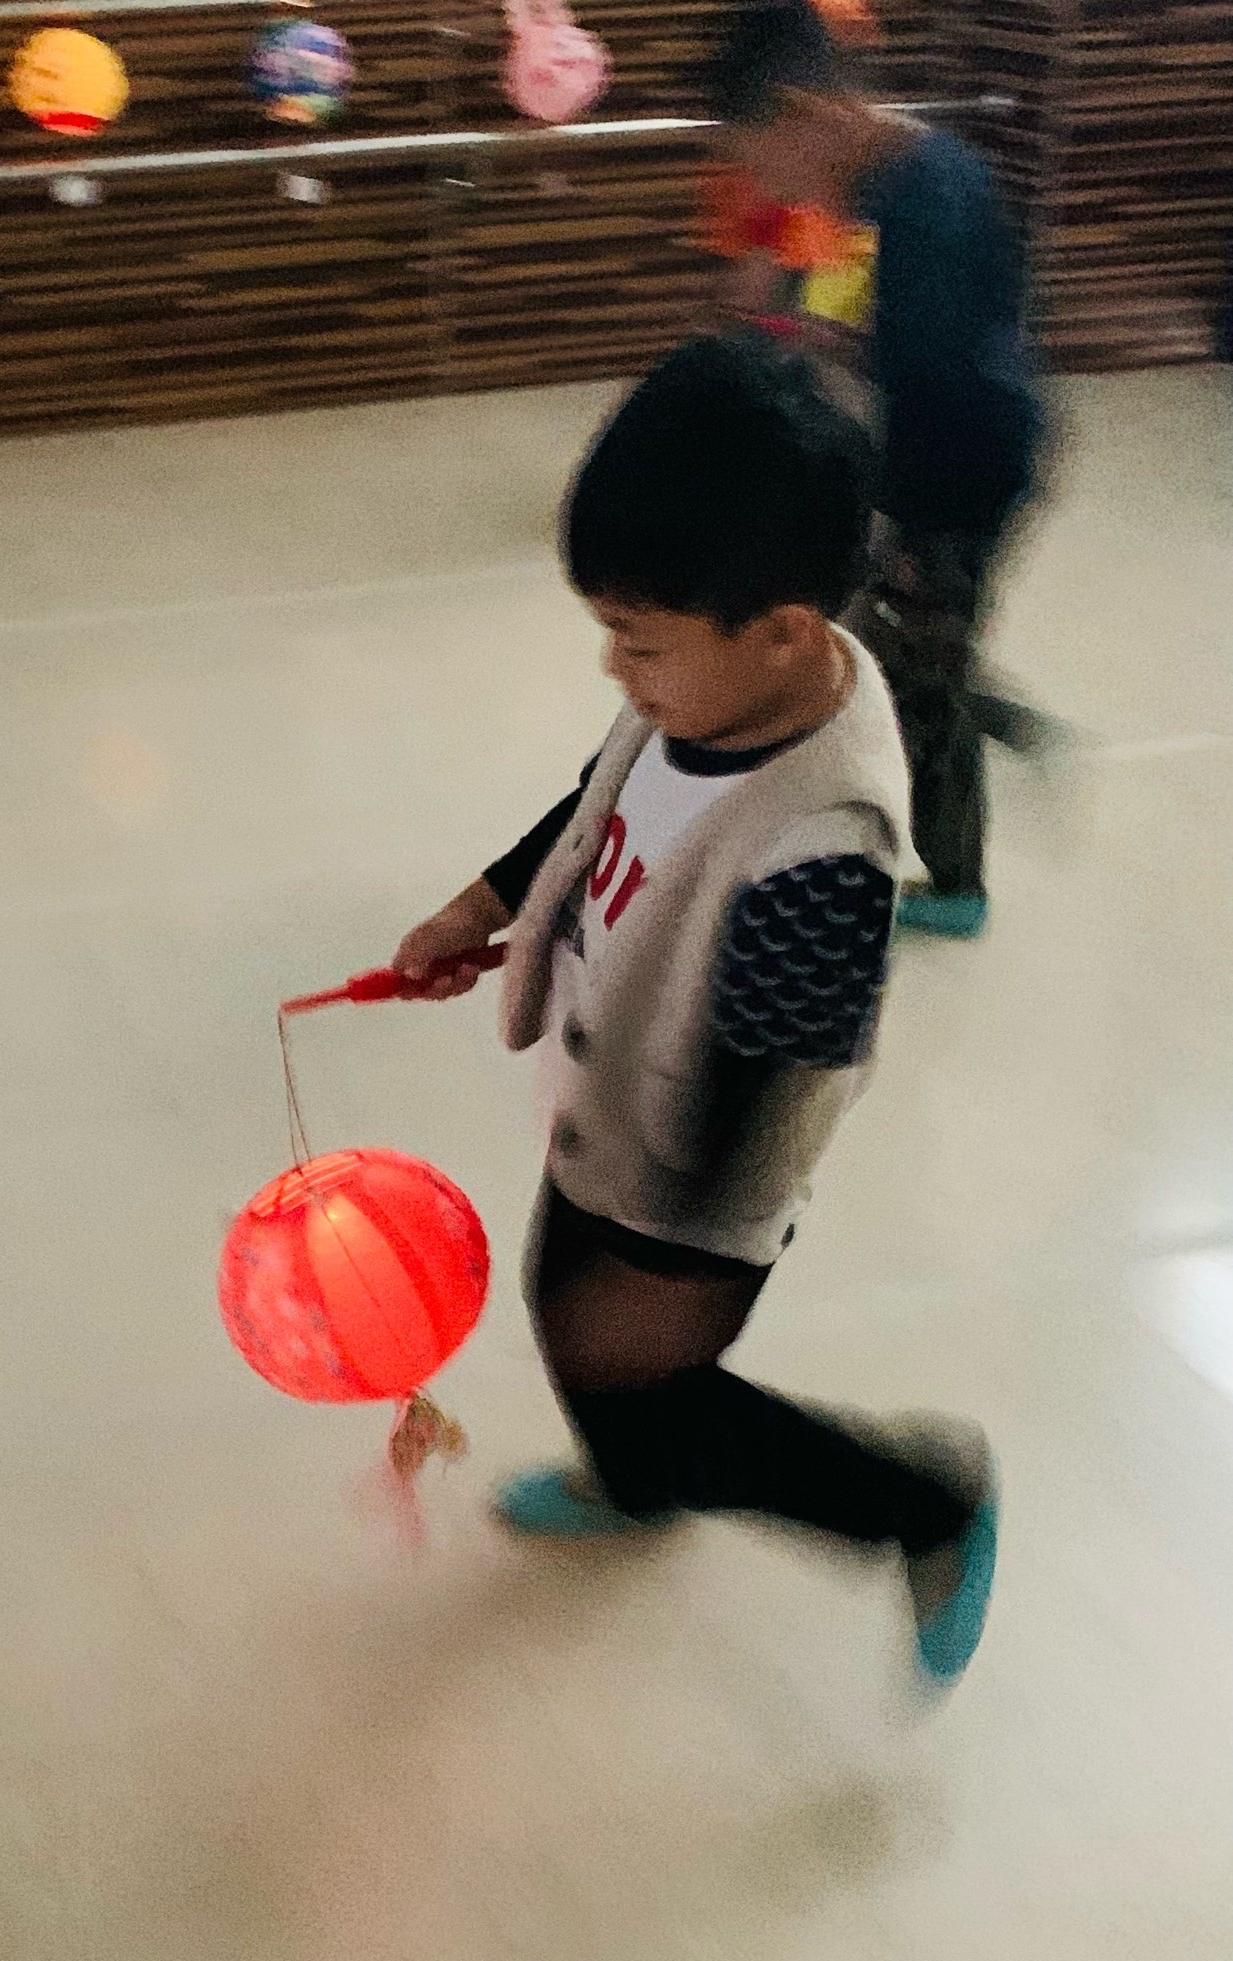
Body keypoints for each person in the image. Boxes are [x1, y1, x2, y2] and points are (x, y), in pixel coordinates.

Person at [393, 335, 997, 1681]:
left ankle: (920, 1501)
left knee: (643, 1371)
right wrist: (480, 907)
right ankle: (638, 1472)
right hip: (618, 1110)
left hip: (697, 1183)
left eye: (638, 641)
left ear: (780, 632)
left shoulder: (821, 845)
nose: (618, 672)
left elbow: (783, 1078)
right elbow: (596, 802)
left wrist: (676, 1275)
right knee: (565, 1313)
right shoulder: (705, 693)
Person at [706, 0, 1047, 938]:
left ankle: (956, 885)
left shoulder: (924, 200)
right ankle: (962, 708)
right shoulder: (906, 178)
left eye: (764, 164)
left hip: (958, 476)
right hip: (950, 460)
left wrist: (894, 515)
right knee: (881, 653)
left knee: (915, 683)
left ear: (805, 114)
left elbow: (931, 376)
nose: (771, 190)